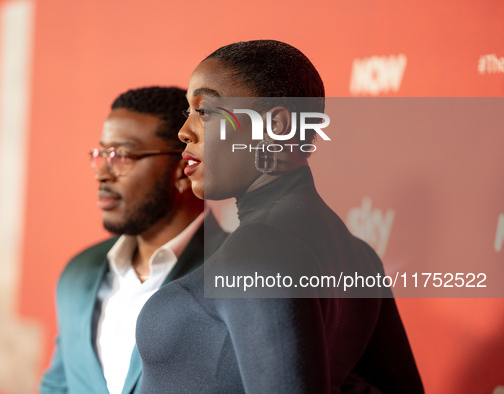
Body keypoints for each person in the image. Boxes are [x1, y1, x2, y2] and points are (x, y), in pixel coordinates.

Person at [136, 41, 424, 393]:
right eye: (188, 113)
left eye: (207, 111)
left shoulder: (260, 253)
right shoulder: (360, 257)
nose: (185, 132)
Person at [40, 86, 227, 394]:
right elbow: (58, 385)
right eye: (102, 154)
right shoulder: (78, 272)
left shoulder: (238, 272)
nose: (102, 174)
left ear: (182, 167)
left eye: (122, 156)